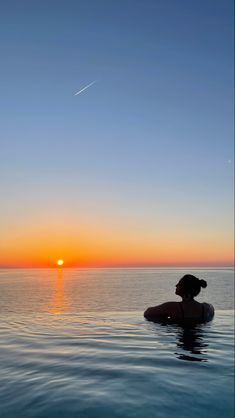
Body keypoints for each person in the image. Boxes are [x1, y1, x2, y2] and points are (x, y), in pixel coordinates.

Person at [144, 274, 214, 323]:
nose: (176, 285)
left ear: (186, 288)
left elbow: (147, 313)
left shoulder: (172, 307)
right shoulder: (205, 308)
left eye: (179, 284)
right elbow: (212, 308)